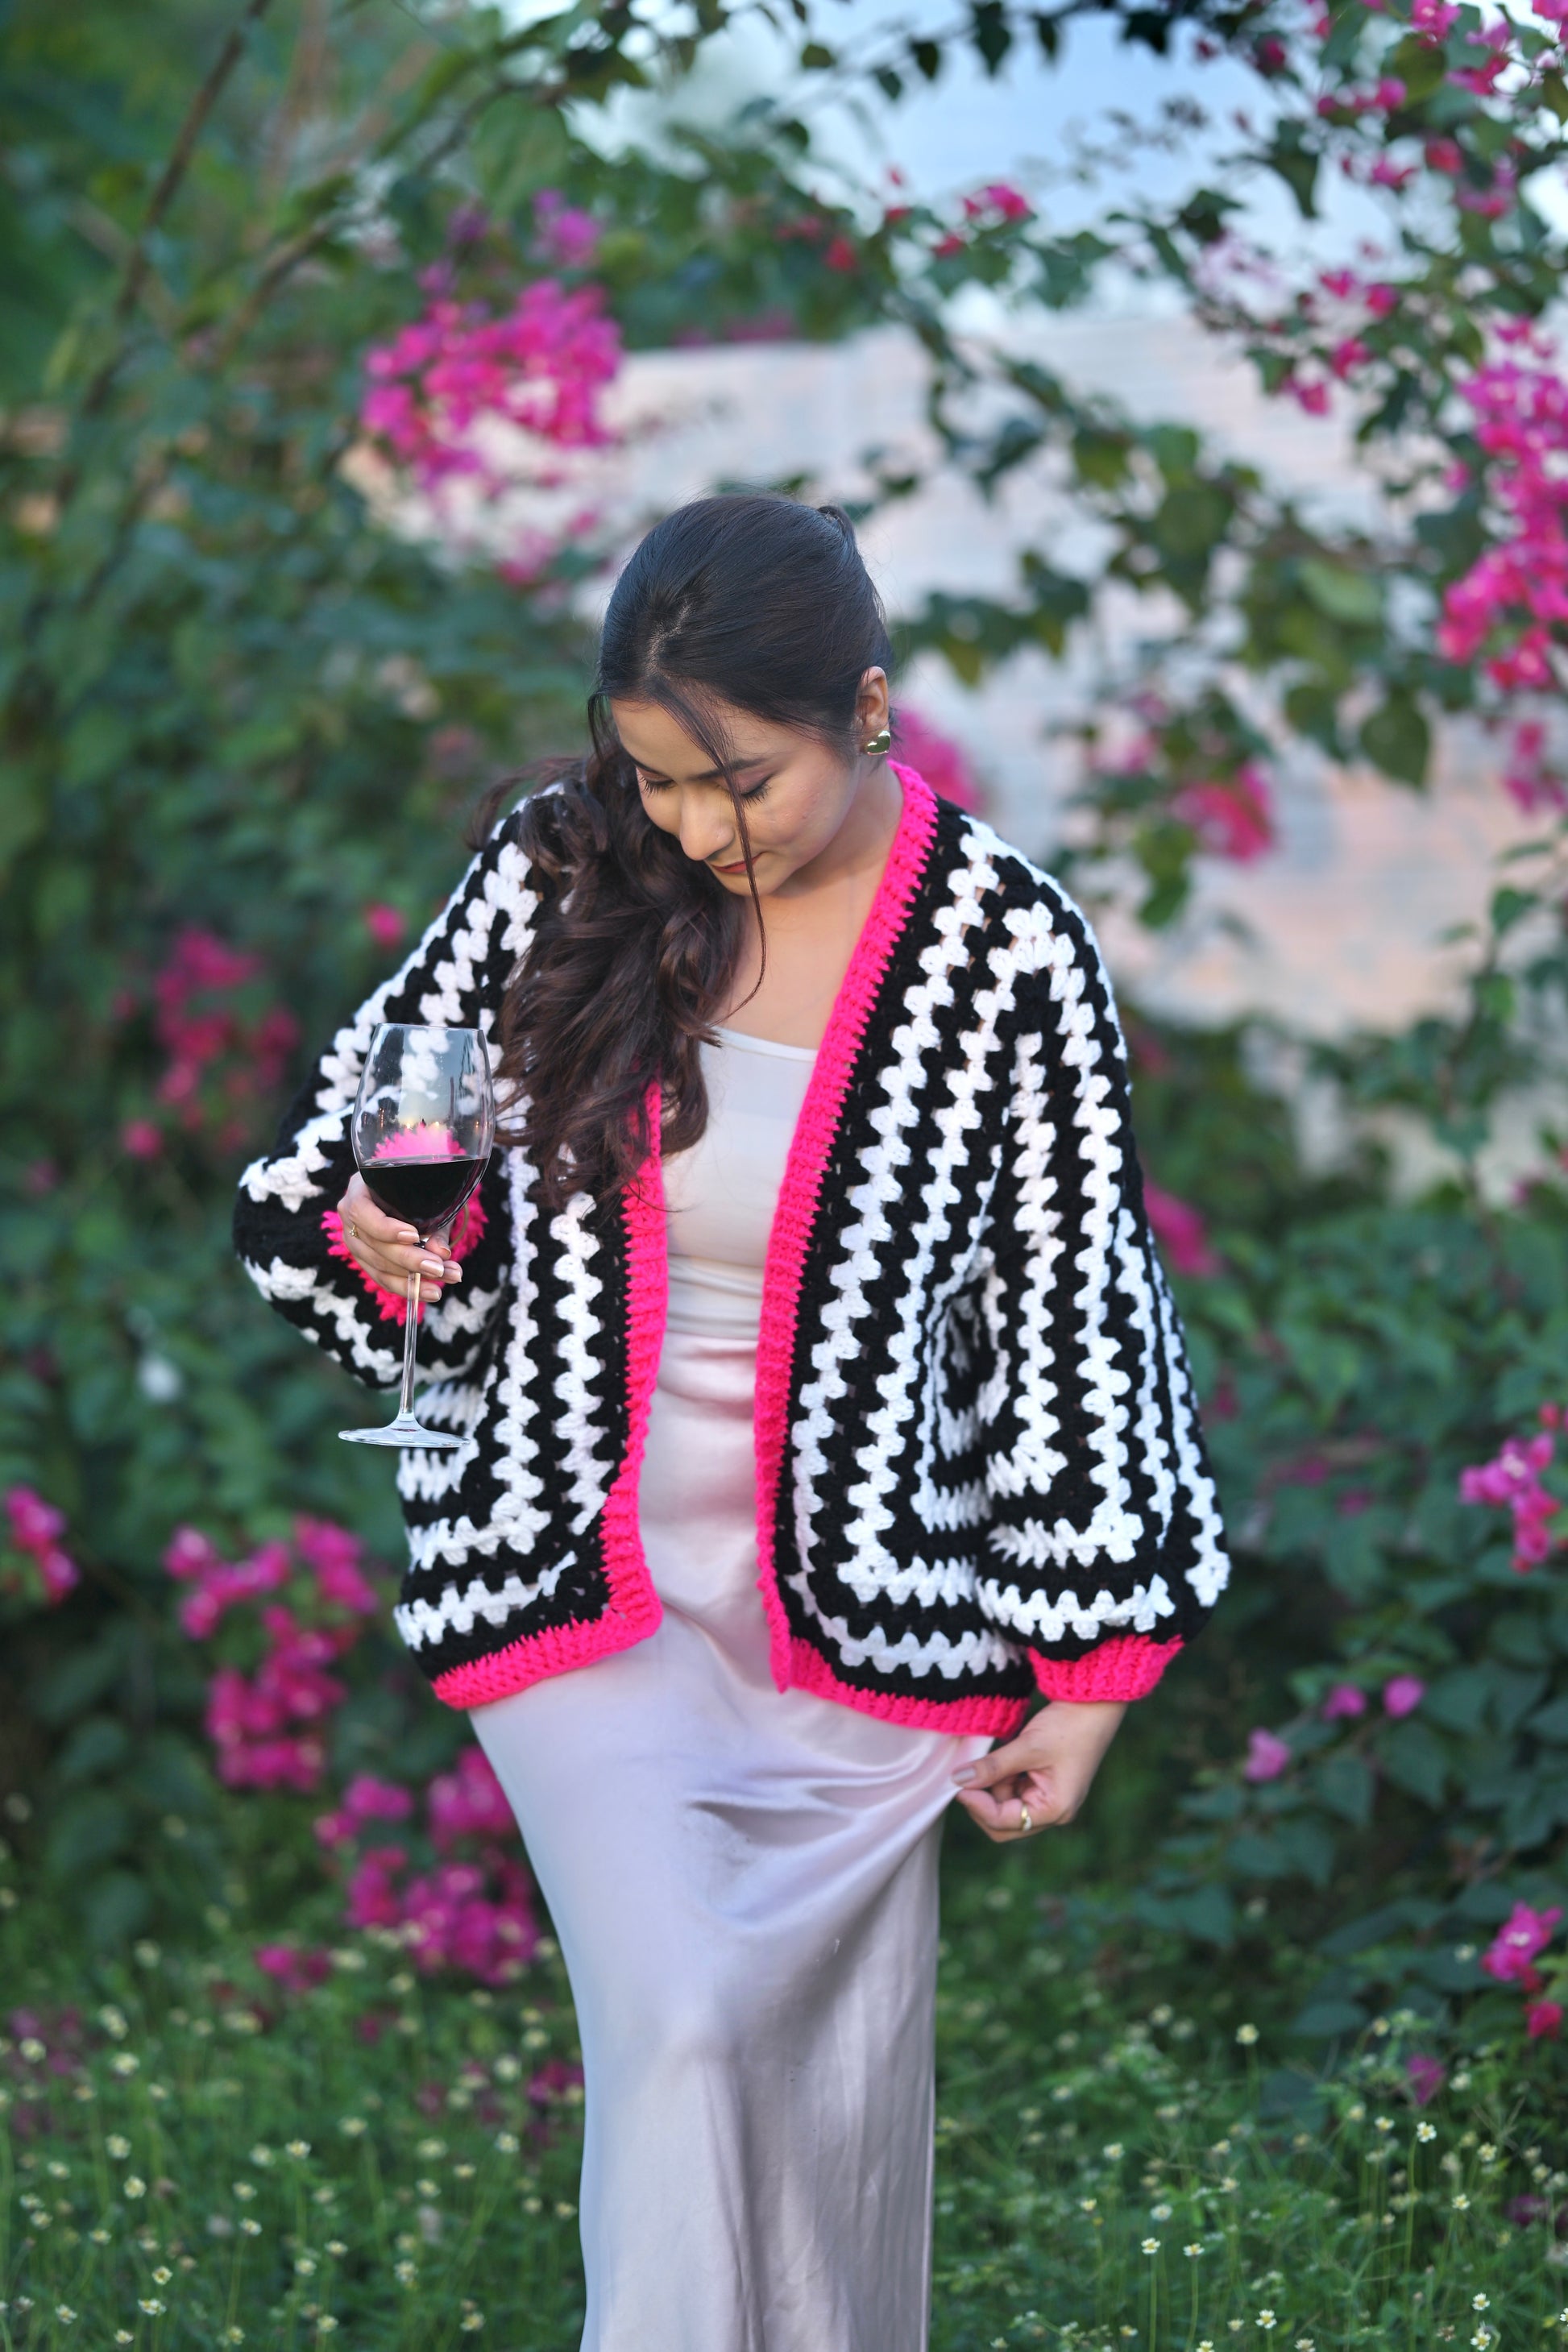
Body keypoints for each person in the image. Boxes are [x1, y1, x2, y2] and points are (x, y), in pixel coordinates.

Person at [234, 491, 1230, 2352]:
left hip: (861, 1632)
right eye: (656, 776)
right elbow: (356, 1145)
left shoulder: (1009, 956)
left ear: (867, 711)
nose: (692, 827)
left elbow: (1074, 1315)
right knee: (688, 2029)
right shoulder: (558, 868)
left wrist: (1089, 1673)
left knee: (822, 2111)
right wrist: (383, 1228)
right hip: (574, 1571)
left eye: (737, 780)